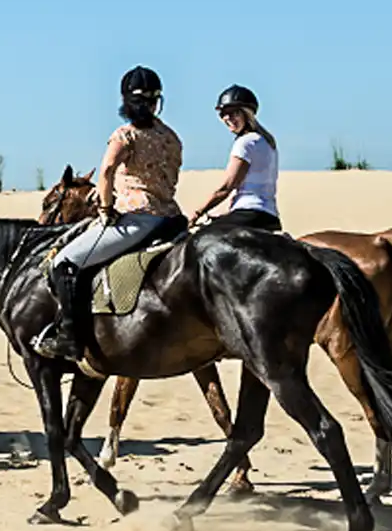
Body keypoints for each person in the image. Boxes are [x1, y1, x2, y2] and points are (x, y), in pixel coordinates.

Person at [32, 67, 184, 360]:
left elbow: (106, 171)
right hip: (172, 219)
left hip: (137, 219)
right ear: (157, 102)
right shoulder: (172, 137)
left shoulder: (124, 135)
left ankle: (70, 339)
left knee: (64, 262)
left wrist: (104, 208)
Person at [189, 85, 281, 231]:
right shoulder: (268, 142)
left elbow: (226, 188)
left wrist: (196, 213)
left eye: (233, 113)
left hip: (249, 215)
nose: (227, 118)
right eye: (223, 114)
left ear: (247, 113)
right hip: (270, 217)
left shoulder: (245, 142)